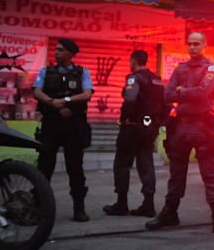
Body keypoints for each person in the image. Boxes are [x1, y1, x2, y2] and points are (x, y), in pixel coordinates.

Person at [145, 32, 214, 234]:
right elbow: (167, 94)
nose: (192, 47)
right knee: (176, 174)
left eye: (196, 44)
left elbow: (202, 93)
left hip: (202, 126)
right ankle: (170, 213)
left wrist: (182, 92)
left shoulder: (212, 68)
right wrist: (185, 93)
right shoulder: (181, 68)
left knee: (210, 174)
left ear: (204, 45)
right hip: (181, 126)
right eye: (189, 44)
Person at [33, 38, 93, 222]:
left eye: (60, 50)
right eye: (56, 50)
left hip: (73, 126)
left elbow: (87, 93)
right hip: (51, 124)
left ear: (70, 53)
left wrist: (66, 101)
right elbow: (37, 91)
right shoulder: (46, 71)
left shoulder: (82, 72)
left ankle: (79, 209)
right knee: (44, 168)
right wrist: (55, 104)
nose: (56, 53)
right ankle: (38, 209)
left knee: (75, 169)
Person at [103, 50, 165, 218]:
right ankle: (148, 204)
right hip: (149, 127)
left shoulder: (134, 78)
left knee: (122, 164)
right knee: (146, 164)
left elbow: (130, 99)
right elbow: (166, 103)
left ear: (133, 61)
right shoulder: (157, 80)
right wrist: (157, 122)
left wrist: (124, 119)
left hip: (132, 127)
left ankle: (121, 204)